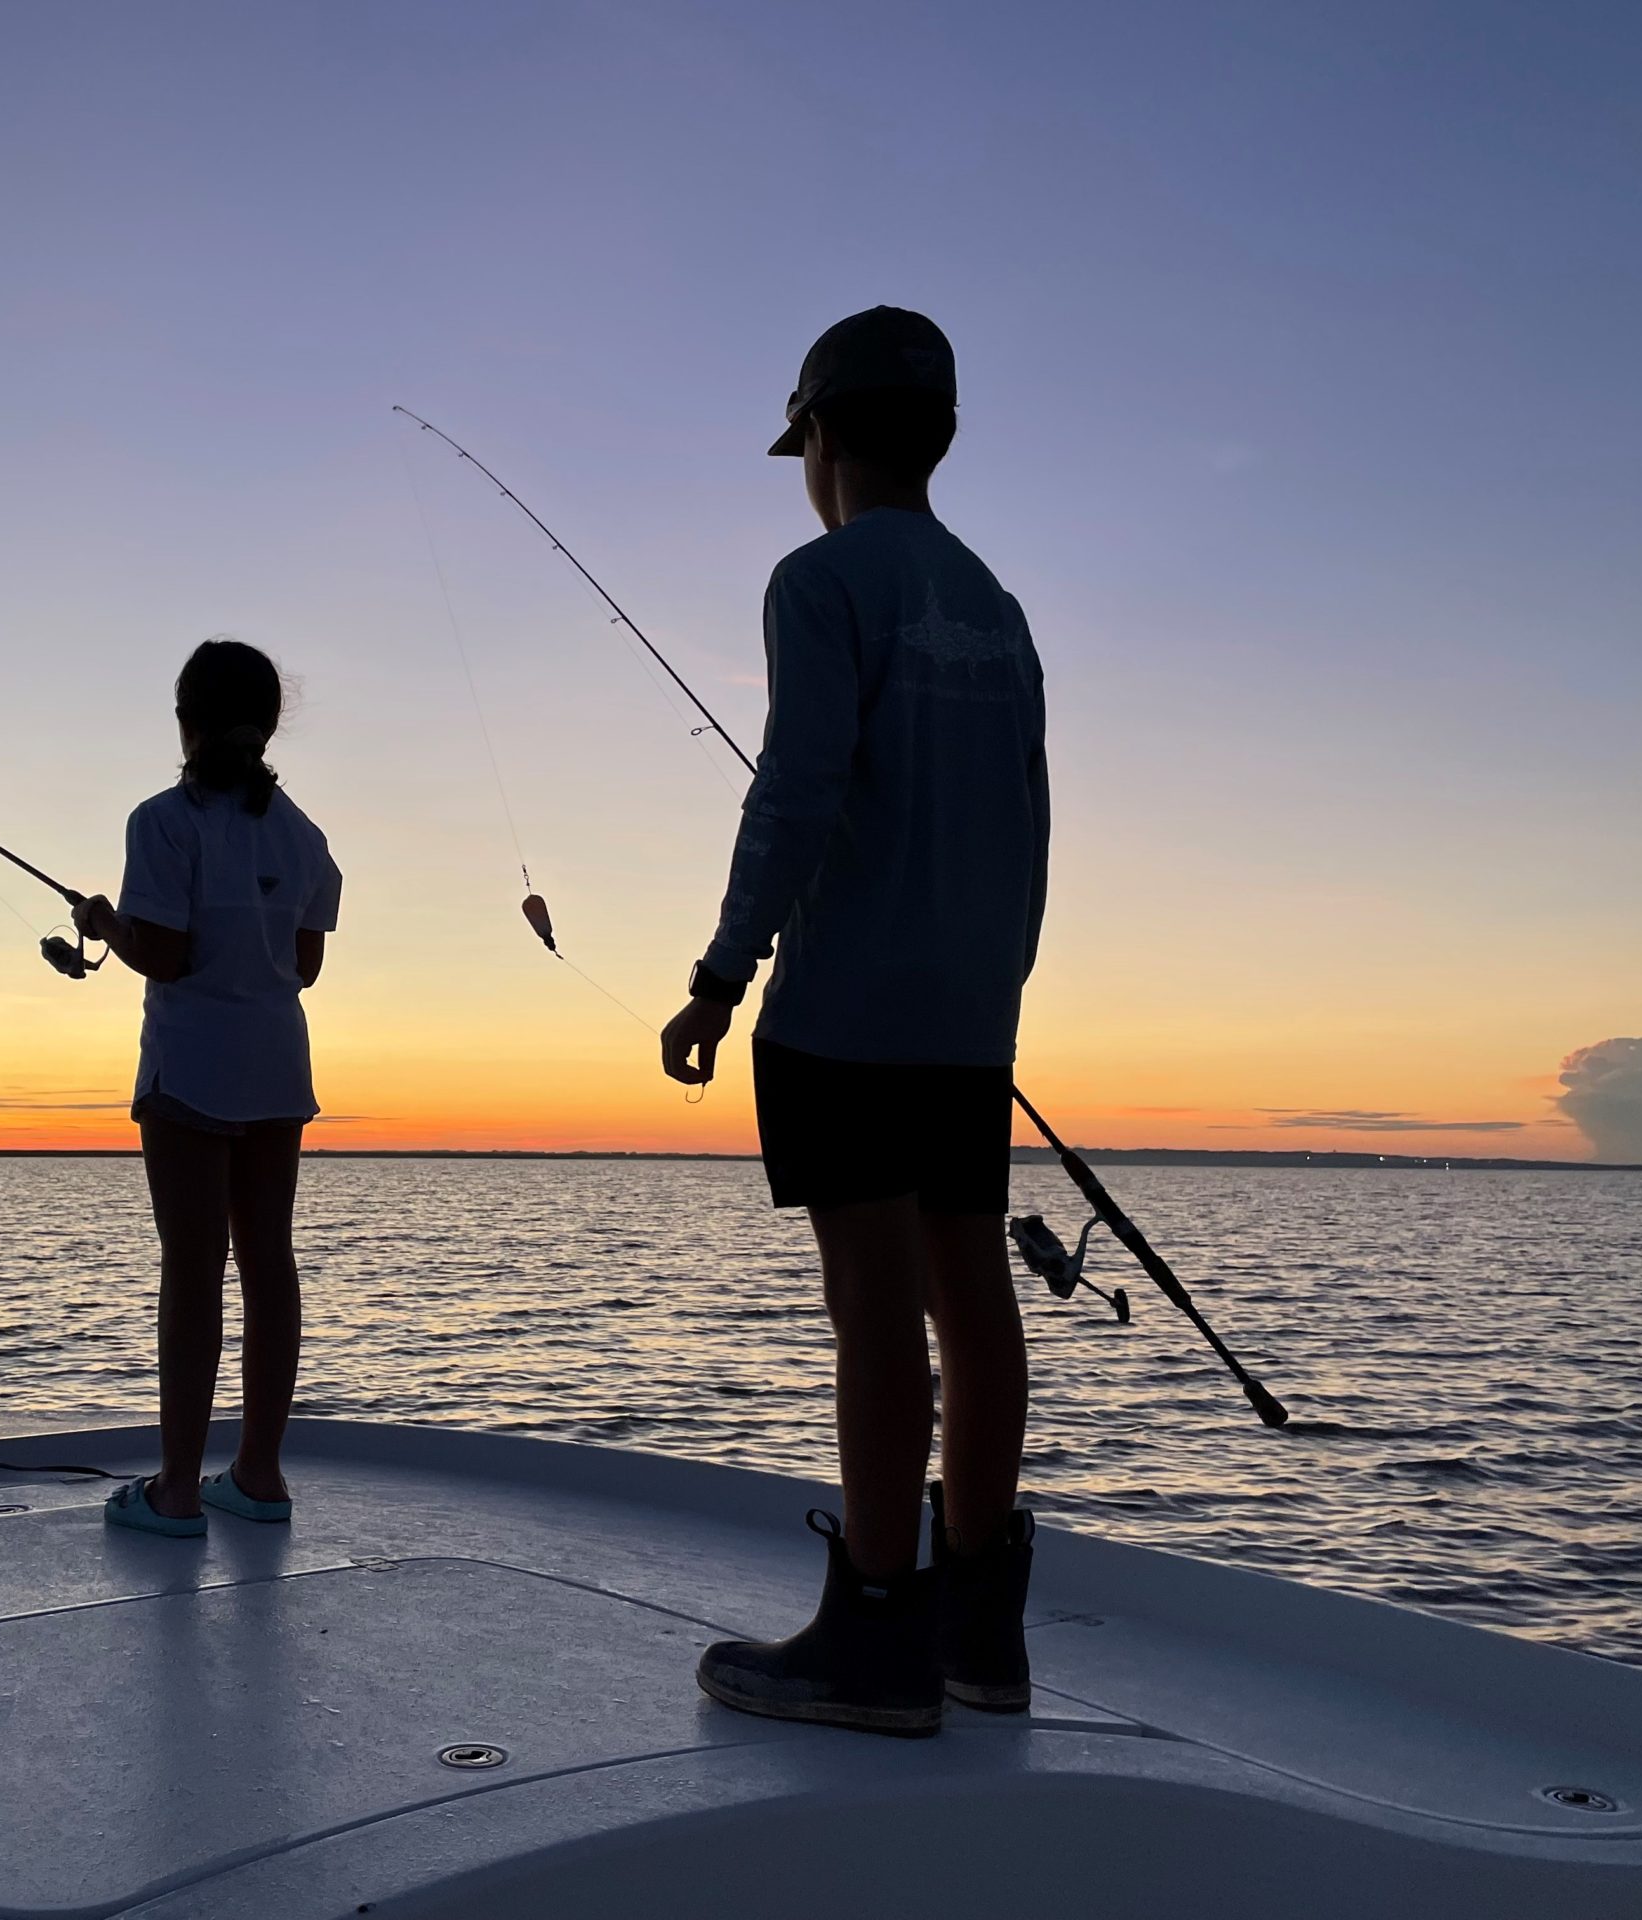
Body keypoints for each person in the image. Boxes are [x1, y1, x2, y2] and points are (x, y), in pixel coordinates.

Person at [659, 308, 1050, 1736]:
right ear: (937, 435)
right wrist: (995, 985)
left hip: (844, 1015)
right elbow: (1029, 818)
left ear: (819, 436)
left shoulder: (817, 580)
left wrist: (721, 971)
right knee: (973, 1298)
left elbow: (797, 784)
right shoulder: (999, 608)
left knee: (876, 1312)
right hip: (971, 1017)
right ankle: (979, 1635)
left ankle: (877, 1629)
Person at [71, 637, 342, 1537]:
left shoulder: (161, 822)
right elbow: (305, 967)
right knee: (269, 1263)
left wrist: (107, 925)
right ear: (268, 725)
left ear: (186, 721)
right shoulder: (306, 838)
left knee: (192, 1274)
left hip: (189, 1069)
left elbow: (167, 953)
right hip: (278, 1069)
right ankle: (258, 1475)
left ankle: (178, 1490)